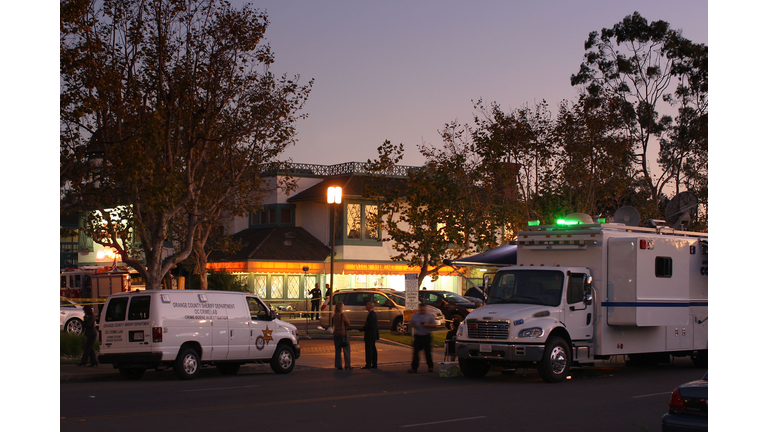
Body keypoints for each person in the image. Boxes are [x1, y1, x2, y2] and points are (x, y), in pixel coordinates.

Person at [408, 302, 439, 373]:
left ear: (425, 309)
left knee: (427, 352)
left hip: (426, 336)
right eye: (420, 310)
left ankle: (430, 366)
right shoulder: (415, 315)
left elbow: (434, 325)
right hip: (418, 336)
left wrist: (427, 325)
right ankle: (414, 368)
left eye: (423, 310)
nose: (422, 311)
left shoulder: (429, 315)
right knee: (416, 352)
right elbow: (411, 322)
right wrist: (413, 325)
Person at [332, 301, 352, 370]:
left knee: (338, 350)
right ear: (341, 307)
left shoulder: (334, 315)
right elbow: (348, 323)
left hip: (336, 333)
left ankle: (338, 365)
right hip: (343, 334)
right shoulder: (342, 315)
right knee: (346, 349)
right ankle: (347, 365)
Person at [361, 301, 379, 369]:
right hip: (373, 334)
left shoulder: (371, 315)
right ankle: (374, 363)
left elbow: (370, 326)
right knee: (373, 348)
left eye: (367, 305)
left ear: (370, 306)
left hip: (370, 335)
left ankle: (368, 364)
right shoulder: (373, 314)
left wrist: (363, 328)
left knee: (369, 350)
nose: (366, 306)